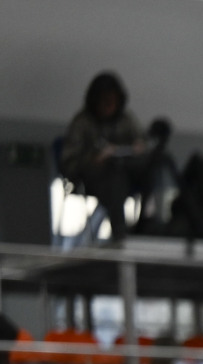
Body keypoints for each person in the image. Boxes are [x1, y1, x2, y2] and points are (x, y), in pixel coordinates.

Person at [59, 72, 167, 242]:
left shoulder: (125, 118)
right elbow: (69, 162)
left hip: (126, 171)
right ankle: (119, 235)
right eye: (104, 101)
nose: (108, 106)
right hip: (94, 176)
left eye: (112, 101)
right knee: (116, 177)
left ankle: (145, 222)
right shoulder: (82, 123)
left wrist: (138, 147)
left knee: (154, 163)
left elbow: (141, 142)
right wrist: (95, 159)